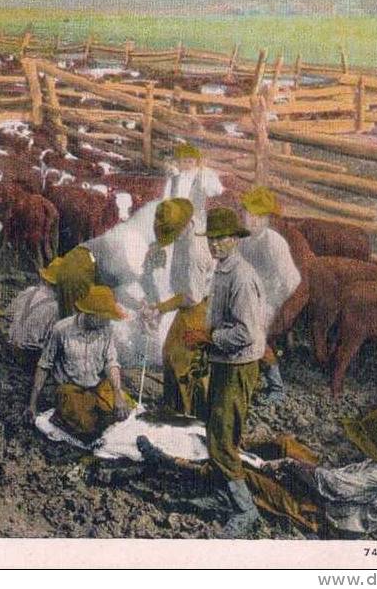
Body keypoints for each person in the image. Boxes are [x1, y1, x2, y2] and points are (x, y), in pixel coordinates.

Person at [138, 404, 377, 537]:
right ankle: (235, 445)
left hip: (327, 516)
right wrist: (292, 463)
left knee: (246, 475)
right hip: (332, 494)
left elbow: (333, 485)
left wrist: (290, 467)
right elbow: (335, 479)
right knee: (284, 444)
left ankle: (176, 463)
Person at [180, 206, 267, 537]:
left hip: (238, 364)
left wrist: (207, 337)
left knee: (222, 438)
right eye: (212, 239)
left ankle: (245, 509)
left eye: (222, 238)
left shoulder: (242, 278)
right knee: (217, 429)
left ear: (236, 239)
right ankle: (221, 494)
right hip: (224, 360)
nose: (215, 244)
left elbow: (246, 333)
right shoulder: (222, 271)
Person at [25, 285, 133, 442]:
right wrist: (32, 404)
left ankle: (90, 411)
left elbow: (111, 363)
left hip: (96, 386)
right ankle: (63, 417)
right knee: (87, 426)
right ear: (91, 315)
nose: (108, 321)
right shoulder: (62, 330)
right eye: (105, 317)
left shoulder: (106, 330)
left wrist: (117, 393)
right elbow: (44, 365)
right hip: (70, 388)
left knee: (124, 410)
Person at [140, 198, 215, 418]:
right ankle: (174, 405)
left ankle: (190, 413)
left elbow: (192, 296)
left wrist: (160, 308)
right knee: (170, 351)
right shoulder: (191, 228)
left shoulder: (194, 252)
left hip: (201, 308)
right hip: (194, 302)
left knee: (184, 358)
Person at [237, 185, 301, 404]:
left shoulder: (273, 243)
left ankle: (276, 387)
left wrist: (270, 302)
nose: (253, 220)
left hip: (270, 302)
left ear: (267, 219)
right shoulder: (243, 240)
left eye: (259, 216)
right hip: (246, 298)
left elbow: (291, 280)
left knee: (252, 334)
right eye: (249, 215)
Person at [6, 258, 63, 369]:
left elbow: (9, 313)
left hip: (11, 345)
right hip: (31, 355)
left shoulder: (29, 290)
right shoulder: (55, 307)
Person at [165, 143, 225, 233]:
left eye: (190, 161)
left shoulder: (202, 177)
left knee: (194, 243)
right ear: (179, 162)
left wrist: (208, 176)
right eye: (184, 161)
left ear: (196, 162)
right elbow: (166, 199)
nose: (187, 164)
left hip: (195, 220)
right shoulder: (173, 179)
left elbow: (217, 190)